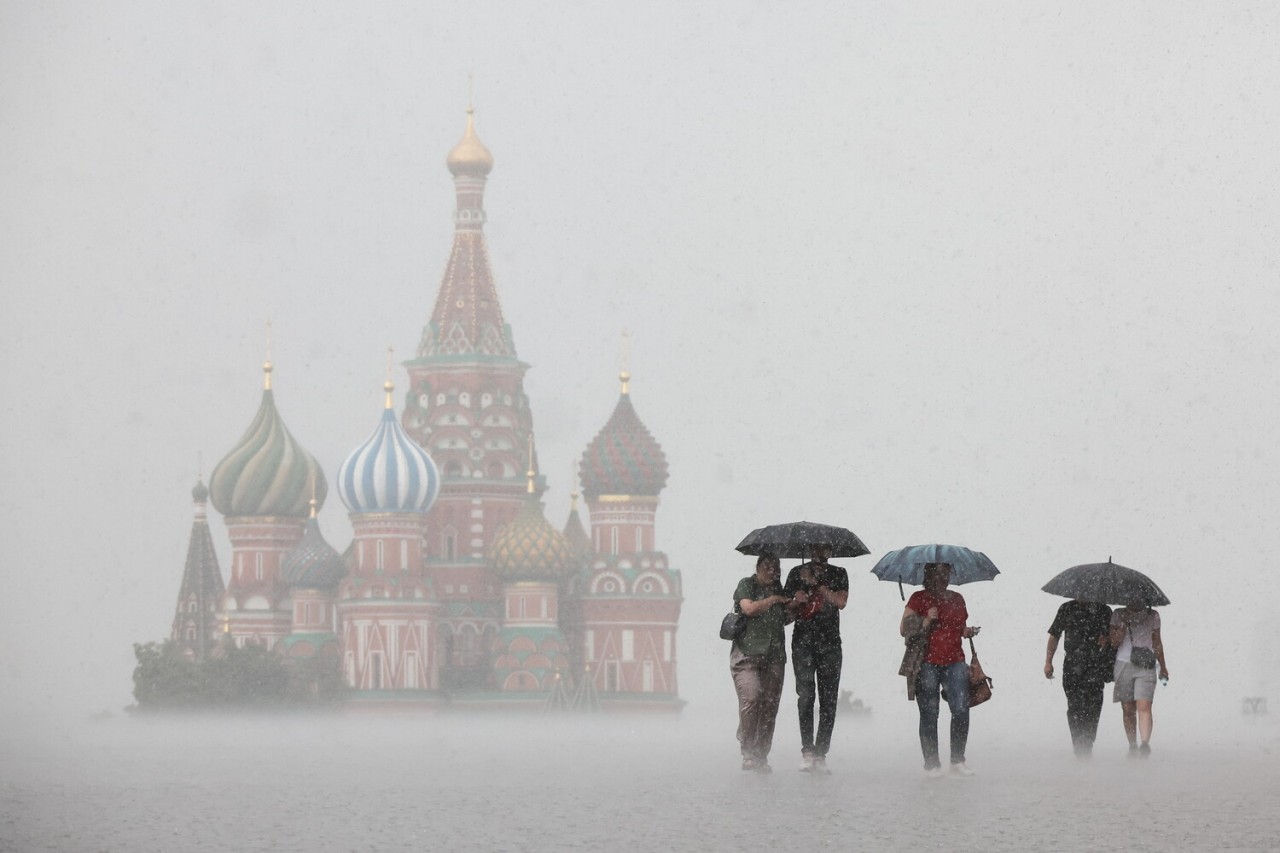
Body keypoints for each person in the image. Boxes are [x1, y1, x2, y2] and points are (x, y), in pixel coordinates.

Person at [900, 562, 980, 777]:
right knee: (929, 712)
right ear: (928, 576)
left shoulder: (957, 598)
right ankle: (932, 764)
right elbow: (903, 628)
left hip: (955, 660)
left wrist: (967, 631)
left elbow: (958, 626)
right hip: (927, 662)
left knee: (961, 708)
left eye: (946, 574)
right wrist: (926, 620)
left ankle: (957, 760)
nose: (943, 578)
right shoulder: (919, 598)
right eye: (938, 574)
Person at [784, 543, 849, 772]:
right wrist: (796, 600)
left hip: (830, 644)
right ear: (810, 550)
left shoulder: (839, 573)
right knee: (805, 696)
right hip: (802, 643)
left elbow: (841, 602)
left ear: (831, 551)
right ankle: (807, 750)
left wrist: (819, 587)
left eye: (825, 549)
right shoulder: (795, 574)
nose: (820, 554)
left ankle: (821, 753)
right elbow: (786, 614)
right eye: (816, 549)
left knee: (828, 700)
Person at [730, 553, 791, 772]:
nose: (772, 571)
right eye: (767, 566)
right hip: (746, 655)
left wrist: (796, 603)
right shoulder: (747, 585)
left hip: (774, 655)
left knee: (770, 706)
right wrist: (774, 599)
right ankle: (747, 750)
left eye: (776, 567)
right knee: (753, 698)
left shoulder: (781, 588)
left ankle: (761, 754)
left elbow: (785, 618)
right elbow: (749, 609)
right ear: (757, 568)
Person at [1044, 599, 1114, 756]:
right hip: (1072, 666)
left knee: (1093, 707)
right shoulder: (1066, 608)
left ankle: (1088, 742)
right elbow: (1054, 635)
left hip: (1096, 665)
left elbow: (1115, 638)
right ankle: (1079, 743)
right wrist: (1048, 661)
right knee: (1075, 707)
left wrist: (1107, 640)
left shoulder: (1104, 610)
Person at [1109, 604, 1168, 757]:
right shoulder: (1118, 614)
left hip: (1145, 665)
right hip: (1123, 664)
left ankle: (1144, 743)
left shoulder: (1153, 615)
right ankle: (1132, 745)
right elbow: (1114, 642)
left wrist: (1163, 666)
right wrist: (1123, 625)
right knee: (1128, 709)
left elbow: (1157, 642)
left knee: (1144, 704)